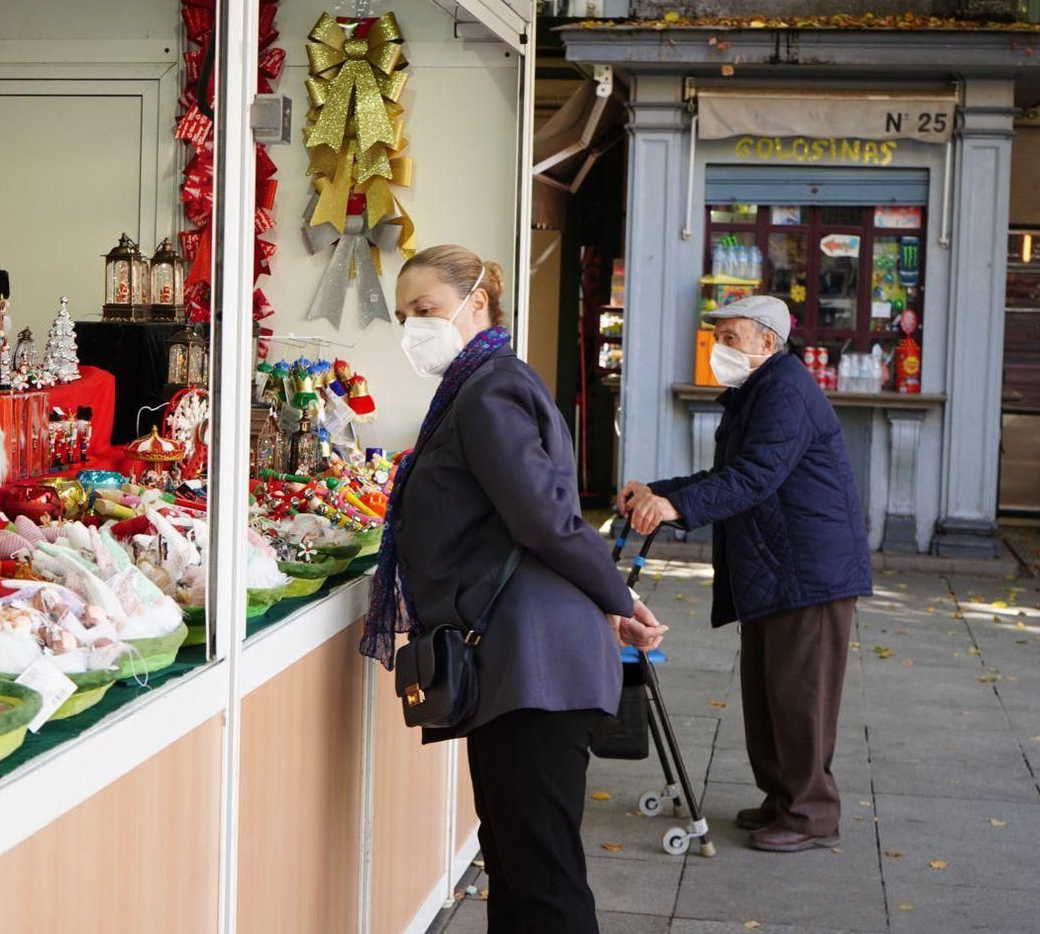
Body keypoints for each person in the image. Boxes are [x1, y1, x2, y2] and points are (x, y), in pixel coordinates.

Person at [364, 244, 667, 933]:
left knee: (542, 881)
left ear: (477, 302)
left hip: (534, 669)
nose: (415, 326)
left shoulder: (489, 389)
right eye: (406, 313)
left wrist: (620, 600)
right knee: (516, 866)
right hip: (519, 666)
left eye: (428, 309)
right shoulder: (477, 385)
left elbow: (547, 521)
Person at [619, 295, 871, 853]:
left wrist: (675, 508)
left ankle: (811, 814)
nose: (720, 349)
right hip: (780, 567)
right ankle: (784, 798)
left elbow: (755, 477)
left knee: (800, 695)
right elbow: (726, 474)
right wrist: (660, 493)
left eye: (731, 338)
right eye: (719, 338)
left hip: (809, 570)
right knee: (769, 692)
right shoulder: (756, 390)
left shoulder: (784, 391)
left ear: (767, 341)